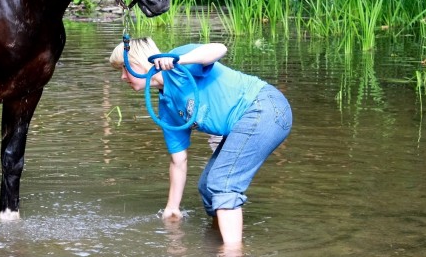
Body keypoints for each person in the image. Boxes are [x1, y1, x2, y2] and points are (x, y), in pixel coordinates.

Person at [109, 38, 291, 245]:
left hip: (266, 107)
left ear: (140, 61)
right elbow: (178, 160)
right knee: (208, 187)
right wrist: (172, 208)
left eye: (124, 68)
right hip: (247, 122)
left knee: (222, 183)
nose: (123, 77)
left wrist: (180, 60)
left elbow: (219, 48)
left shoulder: (179, 63)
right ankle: (219, 243)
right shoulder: (167, 107)